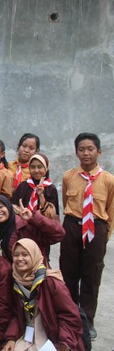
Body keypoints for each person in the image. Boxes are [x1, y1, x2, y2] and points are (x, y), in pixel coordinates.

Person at [60, 132, 114, 340]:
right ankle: (71, 317)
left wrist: (105, 234)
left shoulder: (109, 180)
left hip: (97, 228)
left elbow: (111, 210)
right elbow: (66, 202)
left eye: (90, 149)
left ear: (99, 152)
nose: (86, 153)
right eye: (81, 149)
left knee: (91, 276)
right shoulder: (69, 176)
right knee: (69, 273)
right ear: (76, 152)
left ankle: (87, 320)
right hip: (73, 225)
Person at [6, 238, 85, 351]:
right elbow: (15, 314)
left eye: (25, 254)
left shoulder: (51, 282)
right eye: (16, 255)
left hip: (52, 340)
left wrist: (64, 344)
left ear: (34, 255)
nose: (20, 259)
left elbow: (70, 317)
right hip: (26, 337)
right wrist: (11, 338)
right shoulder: (15, 280)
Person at [0, 195, 64, 263]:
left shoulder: (25, 225)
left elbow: (59, 234)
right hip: (11, 277)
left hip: (33, 276)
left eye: (1, 207)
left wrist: (33, 218)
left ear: (9, 207)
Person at [12, 154, 58, 220]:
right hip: (23, 226)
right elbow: (13, 206)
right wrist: (18, 210)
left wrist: (41, 195)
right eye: (33, 167)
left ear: (46, 168)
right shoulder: (23, 186)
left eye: (40, 167)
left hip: (43, 226)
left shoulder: (51, 189)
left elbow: (52, 216)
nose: (36, 171)